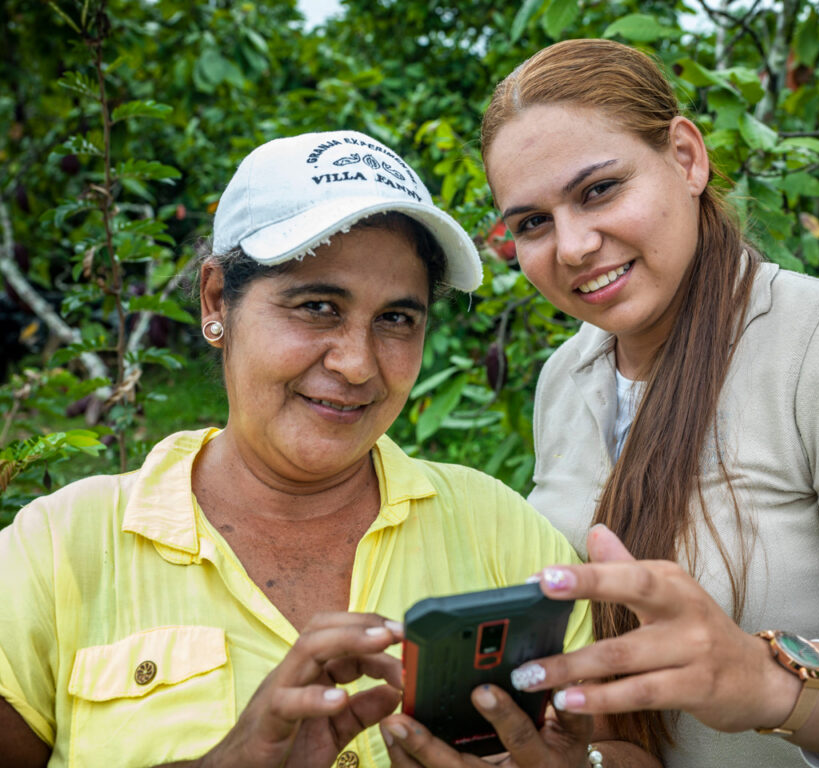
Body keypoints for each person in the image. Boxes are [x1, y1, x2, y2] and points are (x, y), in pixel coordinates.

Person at [471, 38, 819, 768]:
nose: (572, 246)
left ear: (686, 157)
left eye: (599, 190)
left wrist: (770, 683)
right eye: (533, 223)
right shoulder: (567, 378)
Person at [0, 130, 612, 768]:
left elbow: (617, 745)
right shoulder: (58, 548)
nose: (356, 364)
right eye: (317, 306)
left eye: (397, 319)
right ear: (217, 300)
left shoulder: (503, 534)